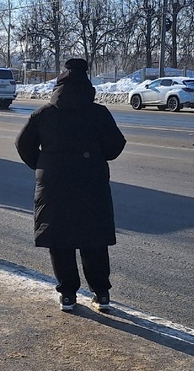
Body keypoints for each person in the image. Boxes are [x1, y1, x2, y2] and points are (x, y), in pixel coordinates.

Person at [15, 57, 127, 313]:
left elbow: (23, 145)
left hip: (54, 184)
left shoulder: (44, 113)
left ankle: (67, 295)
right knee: (93, 239)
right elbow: (115, 146)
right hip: (91, 182)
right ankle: (101, 294)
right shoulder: (99, 113)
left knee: (60, 239)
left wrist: (44, 165)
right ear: (87, 84)